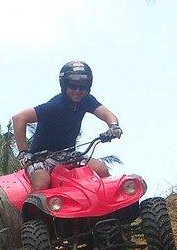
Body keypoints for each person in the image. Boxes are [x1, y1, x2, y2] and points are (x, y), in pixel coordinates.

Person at [12, 61, 123, 191]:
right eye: (73, 86)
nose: (77, 91)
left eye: (82, 87)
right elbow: (19, 118)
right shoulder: (55, 106)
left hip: (69, 155)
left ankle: (112, 209)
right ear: (64, 85)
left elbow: (106, 114)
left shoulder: (86, 100)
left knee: (101, 169)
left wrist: (114, 126)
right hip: (41, 158)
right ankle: (30, 211)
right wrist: (23, 153)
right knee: (42, 183)